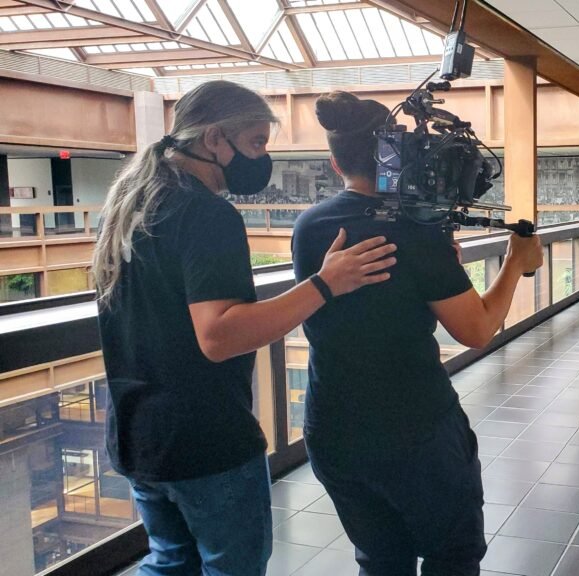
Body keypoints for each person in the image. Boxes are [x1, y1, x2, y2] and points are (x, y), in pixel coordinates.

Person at [92, 80, 397, 575]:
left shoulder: (129, 206)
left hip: (137, 435)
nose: (260, 158)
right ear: (214, 138)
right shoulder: (207, 214)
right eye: (255, 142)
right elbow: (219, 336)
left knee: (170, 563)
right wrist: (325, 284)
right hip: (205, 442)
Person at [291, 91, 544, 576]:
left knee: (381, 560)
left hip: (333, 428)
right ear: (397, 153)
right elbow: (476, 329)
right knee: (453, 556)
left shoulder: (308, 225)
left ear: (334, 162)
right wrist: (515, 263)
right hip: (414, 429)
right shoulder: (416, 231)